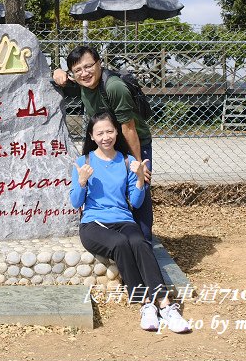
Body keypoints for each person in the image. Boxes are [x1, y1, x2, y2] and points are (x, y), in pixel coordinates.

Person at [70, 111, 190, 333]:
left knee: (139, 242)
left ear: (117, 132)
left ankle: (164, 305)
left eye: (109, 131)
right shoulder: (83, 162)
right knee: (120, 243)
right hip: (93, 224)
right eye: (100, 133)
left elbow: (135, 203)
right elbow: (75, 201)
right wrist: (82, 181)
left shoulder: (127, 161)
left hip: (123, 219)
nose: (105, 137)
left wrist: (139, 180)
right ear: (91, 136)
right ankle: (145, 304)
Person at [54, 45, 154, 241]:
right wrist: (56, 71)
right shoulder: (84, 83)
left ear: (99, 64)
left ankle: (144, 243)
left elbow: (128, 128)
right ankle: (118, 237)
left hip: (133, 140)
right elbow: (65, 81)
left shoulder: (113, 87)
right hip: (108, 140)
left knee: (139, 187)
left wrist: (137, 164)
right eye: (78, 70)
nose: (84, 73)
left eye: (88, 66)